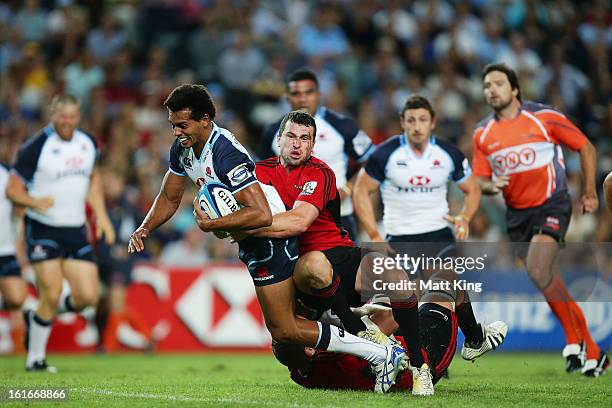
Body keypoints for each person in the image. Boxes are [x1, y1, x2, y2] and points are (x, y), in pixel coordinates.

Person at [127, 85, 407, 393]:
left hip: (270, 242)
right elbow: (170, 195)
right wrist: (145, 227)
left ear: (205, 120)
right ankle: (359, 330)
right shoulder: (183, 149)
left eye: (183, 125)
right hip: (251, 242)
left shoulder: (225, 154)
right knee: (285, 338)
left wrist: (213, 225)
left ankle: (380, 352)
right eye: (173, 125)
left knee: (284, 330)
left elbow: (260, 214)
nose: (177, 132)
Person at [250, 110, 434, 396]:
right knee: (311, 267)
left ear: (312, 145)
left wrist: (250, 227)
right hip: (300, 271)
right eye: (291, 136)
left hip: (340, 255)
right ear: (279, 139)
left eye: (304, 139)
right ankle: (358, 327)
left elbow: (300, 222)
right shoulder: (257, 174)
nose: (297, 144)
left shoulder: (320, 173)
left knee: (397, 278)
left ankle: (420, 367)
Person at [472, 63, 608, 377]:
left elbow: (586, 147)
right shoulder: (482, 133)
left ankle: (574, 341)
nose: (491, 89)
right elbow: (479, 179)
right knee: (544, 278)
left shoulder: (543, 117)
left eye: (498, 83)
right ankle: (594, 349)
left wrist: (589, 192)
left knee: (537, 267)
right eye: (486, 85)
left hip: (553, 203)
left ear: (515, 89)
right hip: (517, 216)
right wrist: (488, 185)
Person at [352, 95, 507, 362]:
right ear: (402, 123)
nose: (417, 126)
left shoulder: (448, 154)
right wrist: (375, 235)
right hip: (398, 240)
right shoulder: (386, 154)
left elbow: (472, 190)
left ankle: (440, 353)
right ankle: (472, 339)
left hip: (439, 236)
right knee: (406, 302)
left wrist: (466, 216)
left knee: (443, 283)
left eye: (422, 120)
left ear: (432, 122)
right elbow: (360, 191)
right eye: (410, 120)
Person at [6, 94, 115, 372]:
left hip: (75, 229)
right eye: (62, 116)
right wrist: (33, 202)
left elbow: (93, 179)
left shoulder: (87, 143)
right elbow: (12, 190)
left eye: (72, 116)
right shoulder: (35, 147)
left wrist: (101, 215)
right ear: (52, 115)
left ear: (79, 116)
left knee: (88, 296)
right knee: (52, 293)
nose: (67, 121)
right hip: (43, 229)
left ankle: (38, 316)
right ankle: (36, 359)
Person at [260, 68, 375, 241]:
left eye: (309, 92)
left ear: (319, 95)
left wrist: (347, 189)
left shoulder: (342, 126)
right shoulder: (272, 132)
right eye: (296, 93)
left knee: (344, 268)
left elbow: (373, 162)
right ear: (287, 98)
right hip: (290, 219)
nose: (302, 98)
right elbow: (264, 174)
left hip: (337, 217)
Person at [0, 162, 27, 318]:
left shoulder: (7, 174)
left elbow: (20, 212)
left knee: (17, 299)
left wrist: (20, 242)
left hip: (5, 248)